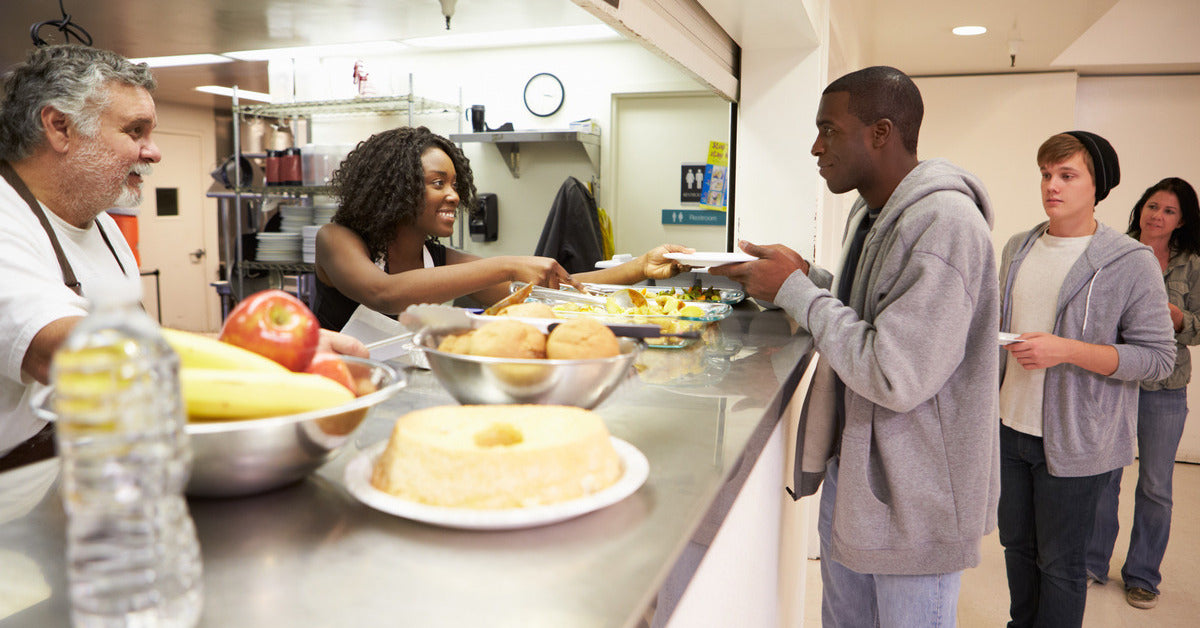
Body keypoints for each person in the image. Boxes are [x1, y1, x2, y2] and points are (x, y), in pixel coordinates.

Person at [708, 66, 1000, 626]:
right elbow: (872, 312)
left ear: (881, 133)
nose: (816, 147)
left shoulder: (946, 224)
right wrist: (802, 277)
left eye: (829, 130)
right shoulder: (871, 213)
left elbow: (894, 372)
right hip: (860, 481)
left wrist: (795, 293)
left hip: (916, 502)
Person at [0, 45, 365, 470]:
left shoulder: (103, 226)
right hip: (23, 482)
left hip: (103, 460)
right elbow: (62, 351)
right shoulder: (7, 217)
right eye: (135, 131)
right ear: (59, 127)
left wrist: (265, 352)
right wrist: (254, 357)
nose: (154, 152)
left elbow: (138, 347)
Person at [997, 132, 1175, 627]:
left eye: (1067, 175)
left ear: (1098, 186)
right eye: (1046, 174)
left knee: (1061, 565)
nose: (1052, 185)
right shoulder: (1018, 246)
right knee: (1015, 546)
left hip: (1077, 442)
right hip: (1011, 428)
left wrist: (1066, 351)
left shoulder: (1129, 261)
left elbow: (1158, 358)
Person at [313, 125, 693, 330]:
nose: (454, 196)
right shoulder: (337, 240)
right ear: (393, 188)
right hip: (337, 395)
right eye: (438, 183)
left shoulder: (436, 258)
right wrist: (508, 264)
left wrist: (641, 267)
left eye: (455, 184)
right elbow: (384, 293)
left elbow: (547, 293)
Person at [1085, 177, 1200, 610]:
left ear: (1181, 220)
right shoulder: (1115, 250)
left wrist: (1176, 320)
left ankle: (1143, 575)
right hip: (1117, 382)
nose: (1157, 215)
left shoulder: (1194, 265)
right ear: (1141, 208)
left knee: (1156, 485)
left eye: (1169, 211)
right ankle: (1093, 562)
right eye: (1153, 206)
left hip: (1166, 388)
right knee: (1105, 476)